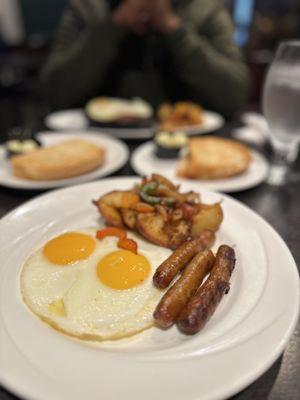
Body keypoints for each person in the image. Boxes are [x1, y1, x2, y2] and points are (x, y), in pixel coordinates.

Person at [40, 0, 251, 117]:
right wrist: (114, 26)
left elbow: (235, 94)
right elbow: (53, 92)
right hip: (95, 142)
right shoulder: (86, 7)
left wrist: (174, 29)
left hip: (190, 145)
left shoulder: (207, 8)